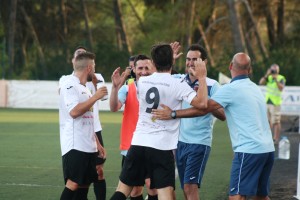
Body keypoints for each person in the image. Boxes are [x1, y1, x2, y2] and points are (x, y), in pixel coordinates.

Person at [152, 52, 275, 200]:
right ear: (250, 70)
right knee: (261, 196)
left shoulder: (230, 89)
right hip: (267, 149)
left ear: (230, 66)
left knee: (236, 197)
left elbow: (203, 108)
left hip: (248, 150)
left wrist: (173, 114)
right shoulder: (255, 88)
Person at [110, 43, 208, 200]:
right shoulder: (178, 83)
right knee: (164, 194)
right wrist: (202, 77)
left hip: (138, 144)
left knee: (122, 190)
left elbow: (158, 77)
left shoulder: (142, 82)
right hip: (162, 147)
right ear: (172, 62)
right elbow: (202, 104)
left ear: (153, 63)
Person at [172, 44, 225, 200]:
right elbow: (158, 75)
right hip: (180, 143)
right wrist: (170, 60)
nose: (190, 63)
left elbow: (222, 115)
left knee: (190, 186)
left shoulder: (212, 85)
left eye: (195, 59)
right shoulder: (179, 80)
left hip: (199, 143)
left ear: (204, 62)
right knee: (185, 188)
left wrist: (204, 98)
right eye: (188, 59)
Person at [59, 46, 107, 200]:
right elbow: (73, 112)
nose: (94, 69)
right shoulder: (69, 84)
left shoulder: (84, 88)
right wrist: (95, 97)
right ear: (89, 67)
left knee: (85, 184)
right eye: (93, 66)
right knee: (73, 183)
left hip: (88, 145)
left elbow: (89, 118)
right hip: (75, 145)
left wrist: (97, 143)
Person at [110, 54, 157, 200]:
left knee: (151, 185)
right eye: (140, 68)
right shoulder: (127, 88)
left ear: (153, 69)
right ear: (134, 70)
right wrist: (114, 87)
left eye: (146, 68)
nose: (143, 71)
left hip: (152, 145)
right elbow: (114, 107)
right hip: (131, 147)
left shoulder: (159, 88)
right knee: (135, 190)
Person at [259, 64, 286, 144]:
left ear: (278, 70)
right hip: (268, 101)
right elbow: (261, 83)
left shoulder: (281, 78)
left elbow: (281, 88)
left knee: (276, 121)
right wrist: (267, 74)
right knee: (267, 121)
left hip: (275, 103)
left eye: (275, 70)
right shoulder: (269, 77)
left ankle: (275, 139)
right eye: (272, 70)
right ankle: (267, 138)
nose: (273, 72)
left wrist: (276, 79)